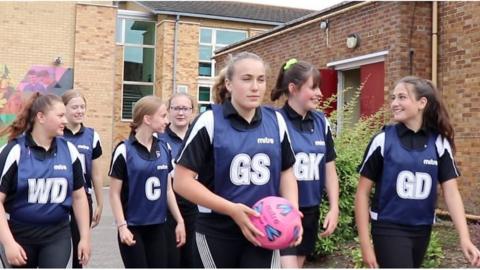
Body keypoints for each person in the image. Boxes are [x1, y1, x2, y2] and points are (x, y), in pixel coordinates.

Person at [173, 51, 302, 268]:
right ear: (229, 84)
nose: (255, 87)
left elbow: (286, 172)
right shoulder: (209, 121)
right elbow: (181, 182)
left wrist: (291, 213)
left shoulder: (276, 121)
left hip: (264, 230)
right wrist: (232, 209)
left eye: (260, 80)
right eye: (246, 79)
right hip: (217, 231)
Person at [355, 76, 480, 268]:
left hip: (422, 229)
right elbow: (362, 193)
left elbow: (451, 193)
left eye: (402, 97)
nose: (394, 103)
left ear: (422, 103)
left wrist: (464, 237)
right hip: (389, 227)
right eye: (393, 98)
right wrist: (365, 244)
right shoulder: (382, 140)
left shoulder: (439, 144)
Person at [0, 93, 90, 268]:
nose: (65, 120)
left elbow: (79, 197)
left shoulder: (69, 151)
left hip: (57, 235)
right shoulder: (13, 151)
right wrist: (8, 243)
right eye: (60, 115)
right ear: (41, 117)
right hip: (19, 235)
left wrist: (85, 238)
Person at [271, 59, 339, 268]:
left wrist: (334, 208)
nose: (320, 93)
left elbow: (329, 168)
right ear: (293, 89)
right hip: (281, 212)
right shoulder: (274, 121)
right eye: (313, 87)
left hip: (311, 211)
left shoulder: (321, 122)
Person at [109, 95, 186, 268]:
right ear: (147, 119)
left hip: (158, 226)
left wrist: (180, 220)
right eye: (163, 115)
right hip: (133, 227)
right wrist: (122, 226)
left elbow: (167, 190)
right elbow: (114, 194)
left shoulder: (164, 148)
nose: (167, 121)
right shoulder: (124, 150)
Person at [61, 90, 103, 268]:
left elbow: (96, 173)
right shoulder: (56, 133)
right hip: (59, 197)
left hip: (83, 198)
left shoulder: (92, 136)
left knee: (81, 250)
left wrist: (100, 203)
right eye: (74, 107)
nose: (79, 111)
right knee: (59, 248)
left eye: (82, 107)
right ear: (63, 109)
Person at [158, 92, 197, 268]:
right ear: (168, 111)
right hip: (166, 210)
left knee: (192, 260)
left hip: (195, 209)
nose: (180, 113)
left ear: (192, 111)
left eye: (185, 108)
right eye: (176, 108)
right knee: (170, 260)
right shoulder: (158, 138)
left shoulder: (199, 137)